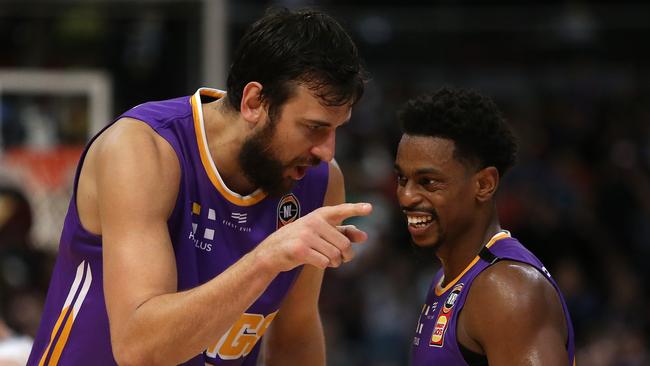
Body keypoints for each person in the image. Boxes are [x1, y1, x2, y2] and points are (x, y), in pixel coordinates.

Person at [28, 8, 372, 365]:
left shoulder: (319, 181)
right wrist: (266, 260)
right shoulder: (142, 150)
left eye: (336, 129)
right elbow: (139, 348)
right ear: (255, 102)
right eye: (313, 127)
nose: (326, 150)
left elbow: (295, 335)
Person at [394, 88, 575, 365]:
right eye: (401, 179)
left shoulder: (506, 288)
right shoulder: (450, 279)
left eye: (428, 182)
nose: (407, 196)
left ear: (484, 184)